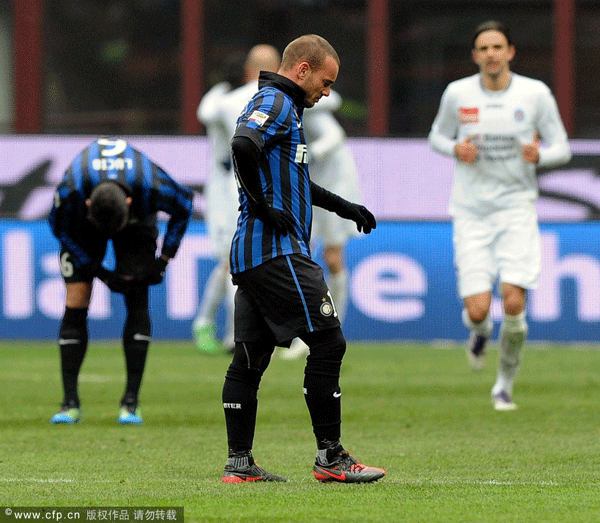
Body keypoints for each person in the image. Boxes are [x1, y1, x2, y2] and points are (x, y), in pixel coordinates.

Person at [221, 34, 385, 483]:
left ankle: (240, 463)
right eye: (325, 82)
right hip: (277, 250)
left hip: (251, 253)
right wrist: (260, 204)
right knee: (330, 343)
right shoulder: (275, 101)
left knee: (250, 359)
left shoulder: (285, 107)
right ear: (303, 70)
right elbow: (242, 145)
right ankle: (330, 457)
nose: (327, 92)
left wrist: (344, 206)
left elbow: (295, 183)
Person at [428, 20, 571, 410]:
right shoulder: (458, 94)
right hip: (471, 211)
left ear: (509, 52)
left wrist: (541, 155)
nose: (491, 53)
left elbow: (563, 147)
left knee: (512, 302)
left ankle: (503, 385)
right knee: (478, 309)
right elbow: (436, 136)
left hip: (516, 208)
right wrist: (456, 148)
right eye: (484, 48)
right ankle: (478, 333)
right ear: (475, 56)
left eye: (498, 47)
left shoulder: (535, 93)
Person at [48, 138, 193, 424]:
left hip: (136, 224)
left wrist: (163, 260)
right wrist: (95, 269)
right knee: (77, 296)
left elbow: (185, 204)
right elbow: (58, 226)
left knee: (136, 291)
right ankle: (69, 403)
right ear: (87, 203)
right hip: (83, 227)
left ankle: (130, 402)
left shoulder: (153, 186)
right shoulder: (71, 190)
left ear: (129, 203)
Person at [192, 45, 281, 355]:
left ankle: (207, 322)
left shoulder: (239, 100)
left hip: (242, 187)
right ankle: (234, 334)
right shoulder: (231, 101)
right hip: (227, 188)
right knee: (234, 262)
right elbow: (206, 113)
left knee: (234, 263)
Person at [280, 88, 362, 360]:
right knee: (302, 254)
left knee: (332, 257)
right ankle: (305, 331)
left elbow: (334, 136)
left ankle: (331, 330)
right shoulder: (281, 107)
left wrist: (307, 155)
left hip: (336, 182)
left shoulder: (309, 106)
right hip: (310, 183)